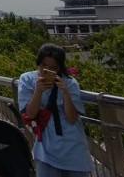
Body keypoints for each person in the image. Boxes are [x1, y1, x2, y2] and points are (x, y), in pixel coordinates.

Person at [18, 44, 91, 177]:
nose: (47, 70)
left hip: (72, 145)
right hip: (46, 147)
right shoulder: (27, 79)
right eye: (44, 66)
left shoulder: (69, 82)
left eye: (53, 68)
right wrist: (38, 91)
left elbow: (72, 118)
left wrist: (65, 92)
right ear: (38, 63)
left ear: (60, 68)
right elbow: (30, 113)